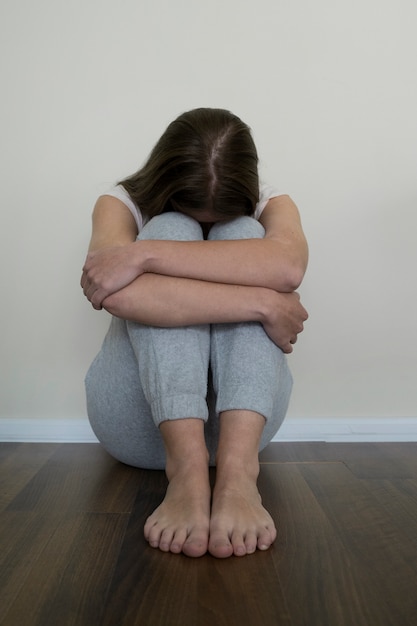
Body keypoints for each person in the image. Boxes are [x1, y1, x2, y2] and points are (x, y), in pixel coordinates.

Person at [81, 107, 308, 559]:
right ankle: (184, 473)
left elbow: (287, 267)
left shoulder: (271, 200)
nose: (204, 221)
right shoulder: (119, 202)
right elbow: (115, 294)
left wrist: (145, 259)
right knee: (170, 226)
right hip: (138, 426)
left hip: (244, 433)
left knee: (243, 230)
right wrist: (262, 301)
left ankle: (239, 477)